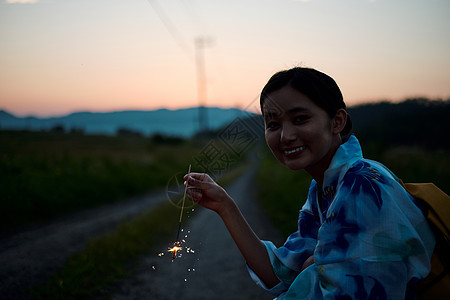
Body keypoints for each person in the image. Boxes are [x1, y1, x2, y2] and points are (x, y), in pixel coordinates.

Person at [184, 67, 435, 299]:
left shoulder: (362, 187)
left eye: (300, 119)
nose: (286, 136)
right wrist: (225, 206)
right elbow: (280, 273)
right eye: (273, 124)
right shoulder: (325, 188)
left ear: (337, 121)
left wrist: (313, 266)